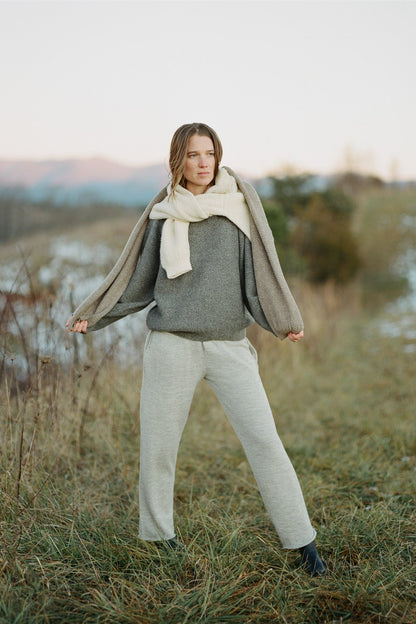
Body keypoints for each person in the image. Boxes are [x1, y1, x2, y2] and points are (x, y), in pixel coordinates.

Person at [66, 122, 327, 576]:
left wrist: (281, 323)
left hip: (229, 345)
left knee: (266, 442)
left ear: (218, 156)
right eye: (192, 155)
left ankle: (303, 542)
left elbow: (257, 278)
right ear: (178, 161)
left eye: (209, 153)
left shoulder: (238, 208)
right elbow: (139, 280)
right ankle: (159, 536)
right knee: (159, 448)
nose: (202, 163)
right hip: (171, 346)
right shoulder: (164, 212)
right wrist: (97, 314)